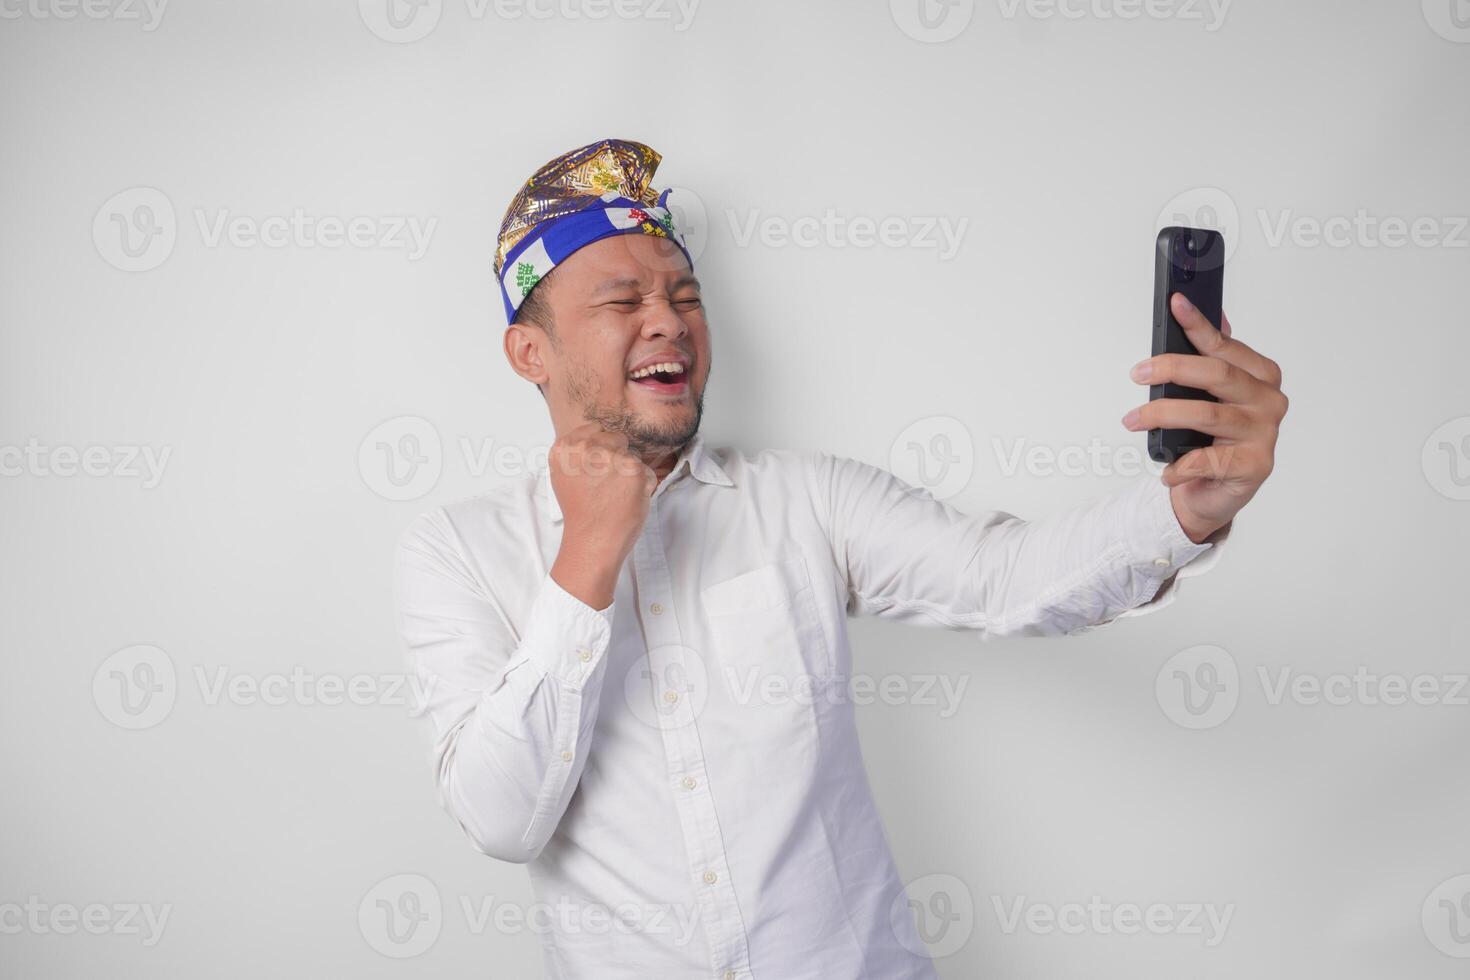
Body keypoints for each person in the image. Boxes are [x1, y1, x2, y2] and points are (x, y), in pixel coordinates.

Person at [393, 138, 1287, 979]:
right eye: (624, 302)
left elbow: (1006, 579)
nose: (668, 322)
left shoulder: (806, 500)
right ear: (529, 352)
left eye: (686, 297)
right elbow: (504, 818)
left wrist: (1187, 510)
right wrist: (587, 556)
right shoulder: (458, 553)